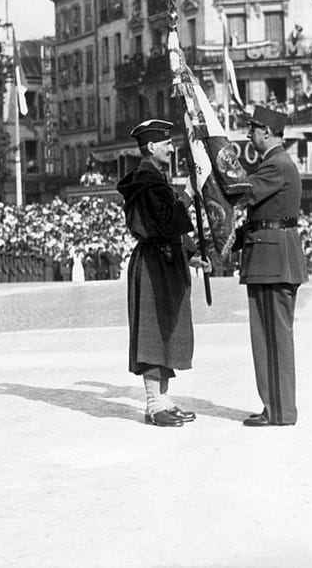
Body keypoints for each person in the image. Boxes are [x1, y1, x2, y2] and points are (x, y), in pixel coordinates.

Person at [115, 120, 209, 427]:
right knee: (154, 331)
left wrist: (192, 254)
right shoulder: (147, 180)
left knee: (167, 328)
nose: (171, 147)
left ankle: (163, 399)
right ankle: (153, 404)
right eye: (166, 143)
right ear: (151, 147)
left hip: (165, 260)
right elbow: (166, 222)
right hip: (155, 263)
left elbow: (170, 228)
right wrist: (186, 194)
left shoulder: (155, 178)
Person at [238, 106, 308, 427]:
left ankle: (279, 410)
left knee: (272, 336)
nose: (249, 135)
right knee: (269, 334)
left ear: (267, 131)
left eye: (252, 130)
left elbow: (240, 191)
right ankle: (275, 406)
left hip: (272, 260)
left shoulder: (276, 164)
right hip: (271, 256)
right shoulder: (277, 163)